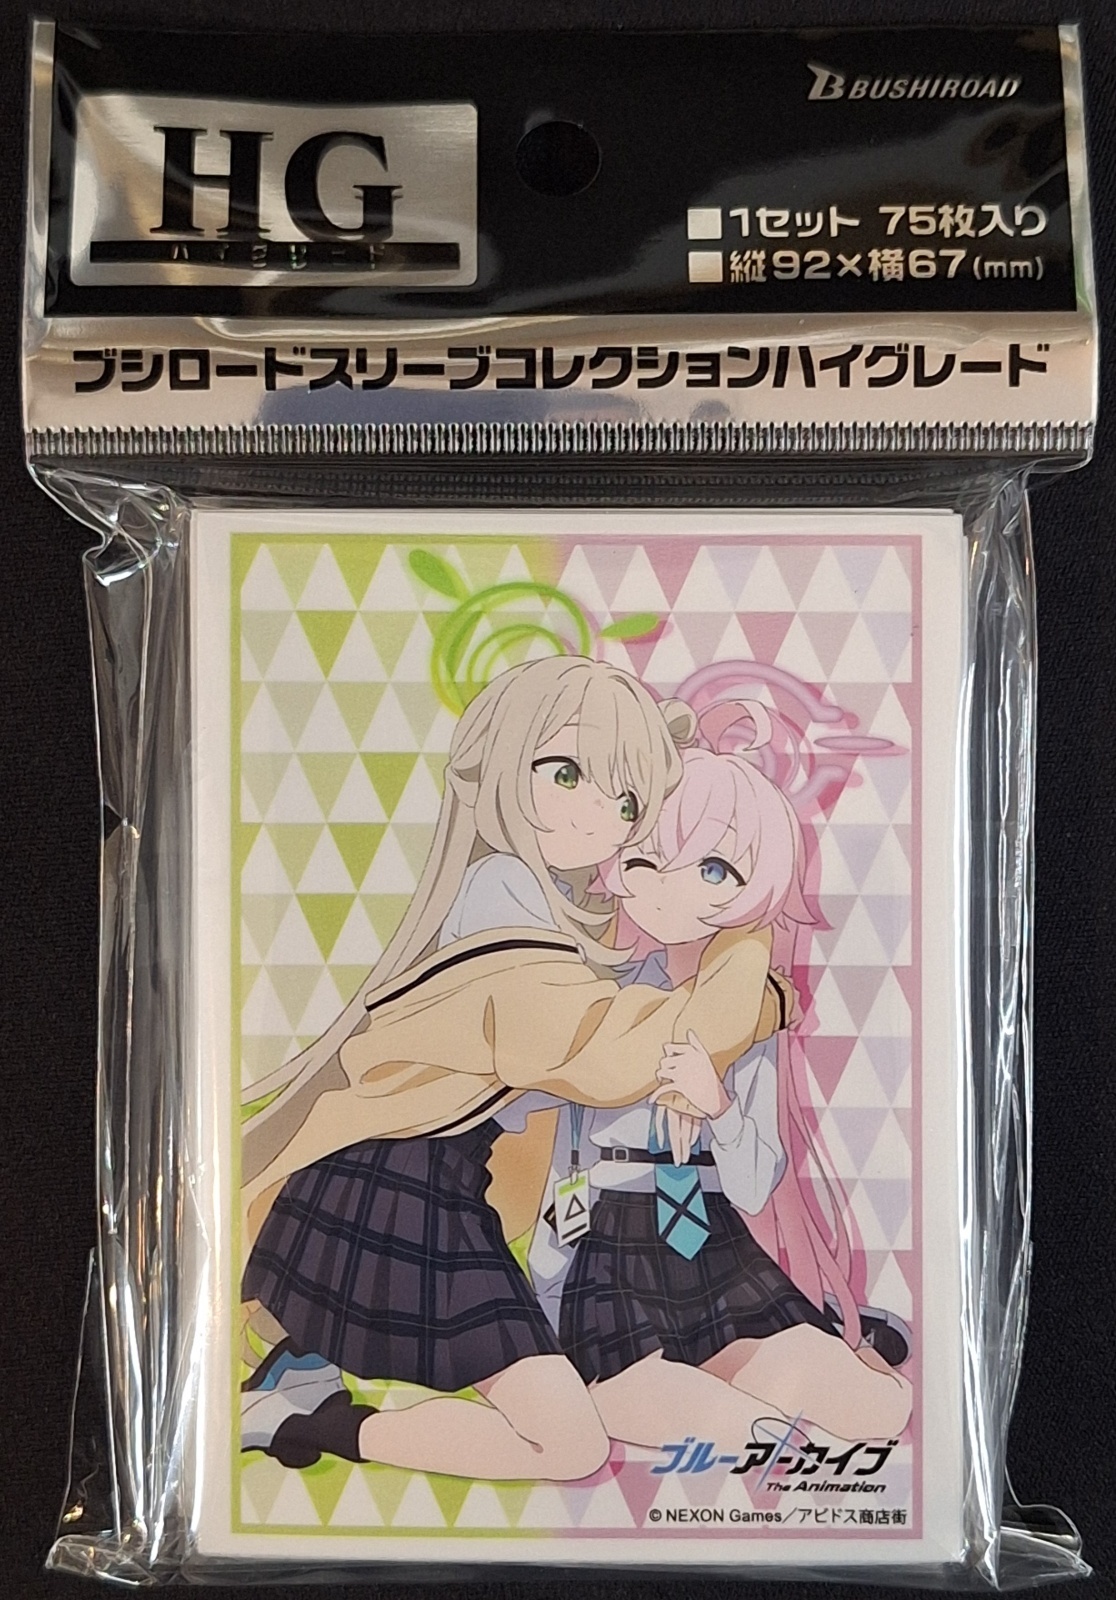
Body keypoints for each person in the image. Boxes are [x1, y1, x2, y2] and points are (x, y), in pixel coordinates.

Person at [241, 658, 795, 1480]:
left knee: (567, 1436)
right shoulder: (503, 898)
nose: (596, 818)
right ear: (502, 762)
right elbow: (602, 1052)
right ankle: (301, 1421)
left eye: (626, 803)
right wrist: (752, 980)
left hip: (434, 1183)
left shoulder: (538, 912)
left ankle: (298, 1385)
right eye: (566, 773)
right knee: (565, 1443)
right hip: (398, 1190)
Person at [528, 702, 912, 1450]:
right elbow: (569, 1160)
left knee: (876, 1411)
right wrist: (549, 1286)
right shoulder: (605, 998)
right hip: (613, 1245)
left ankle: (812, 1352)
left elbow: (756, 1179)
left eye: (713, 870)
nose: (671, 890)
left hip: (712, 1237)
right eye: (646, 862)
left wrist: (720, 1106)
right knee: (731, 1425)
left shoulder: (746, 1013)